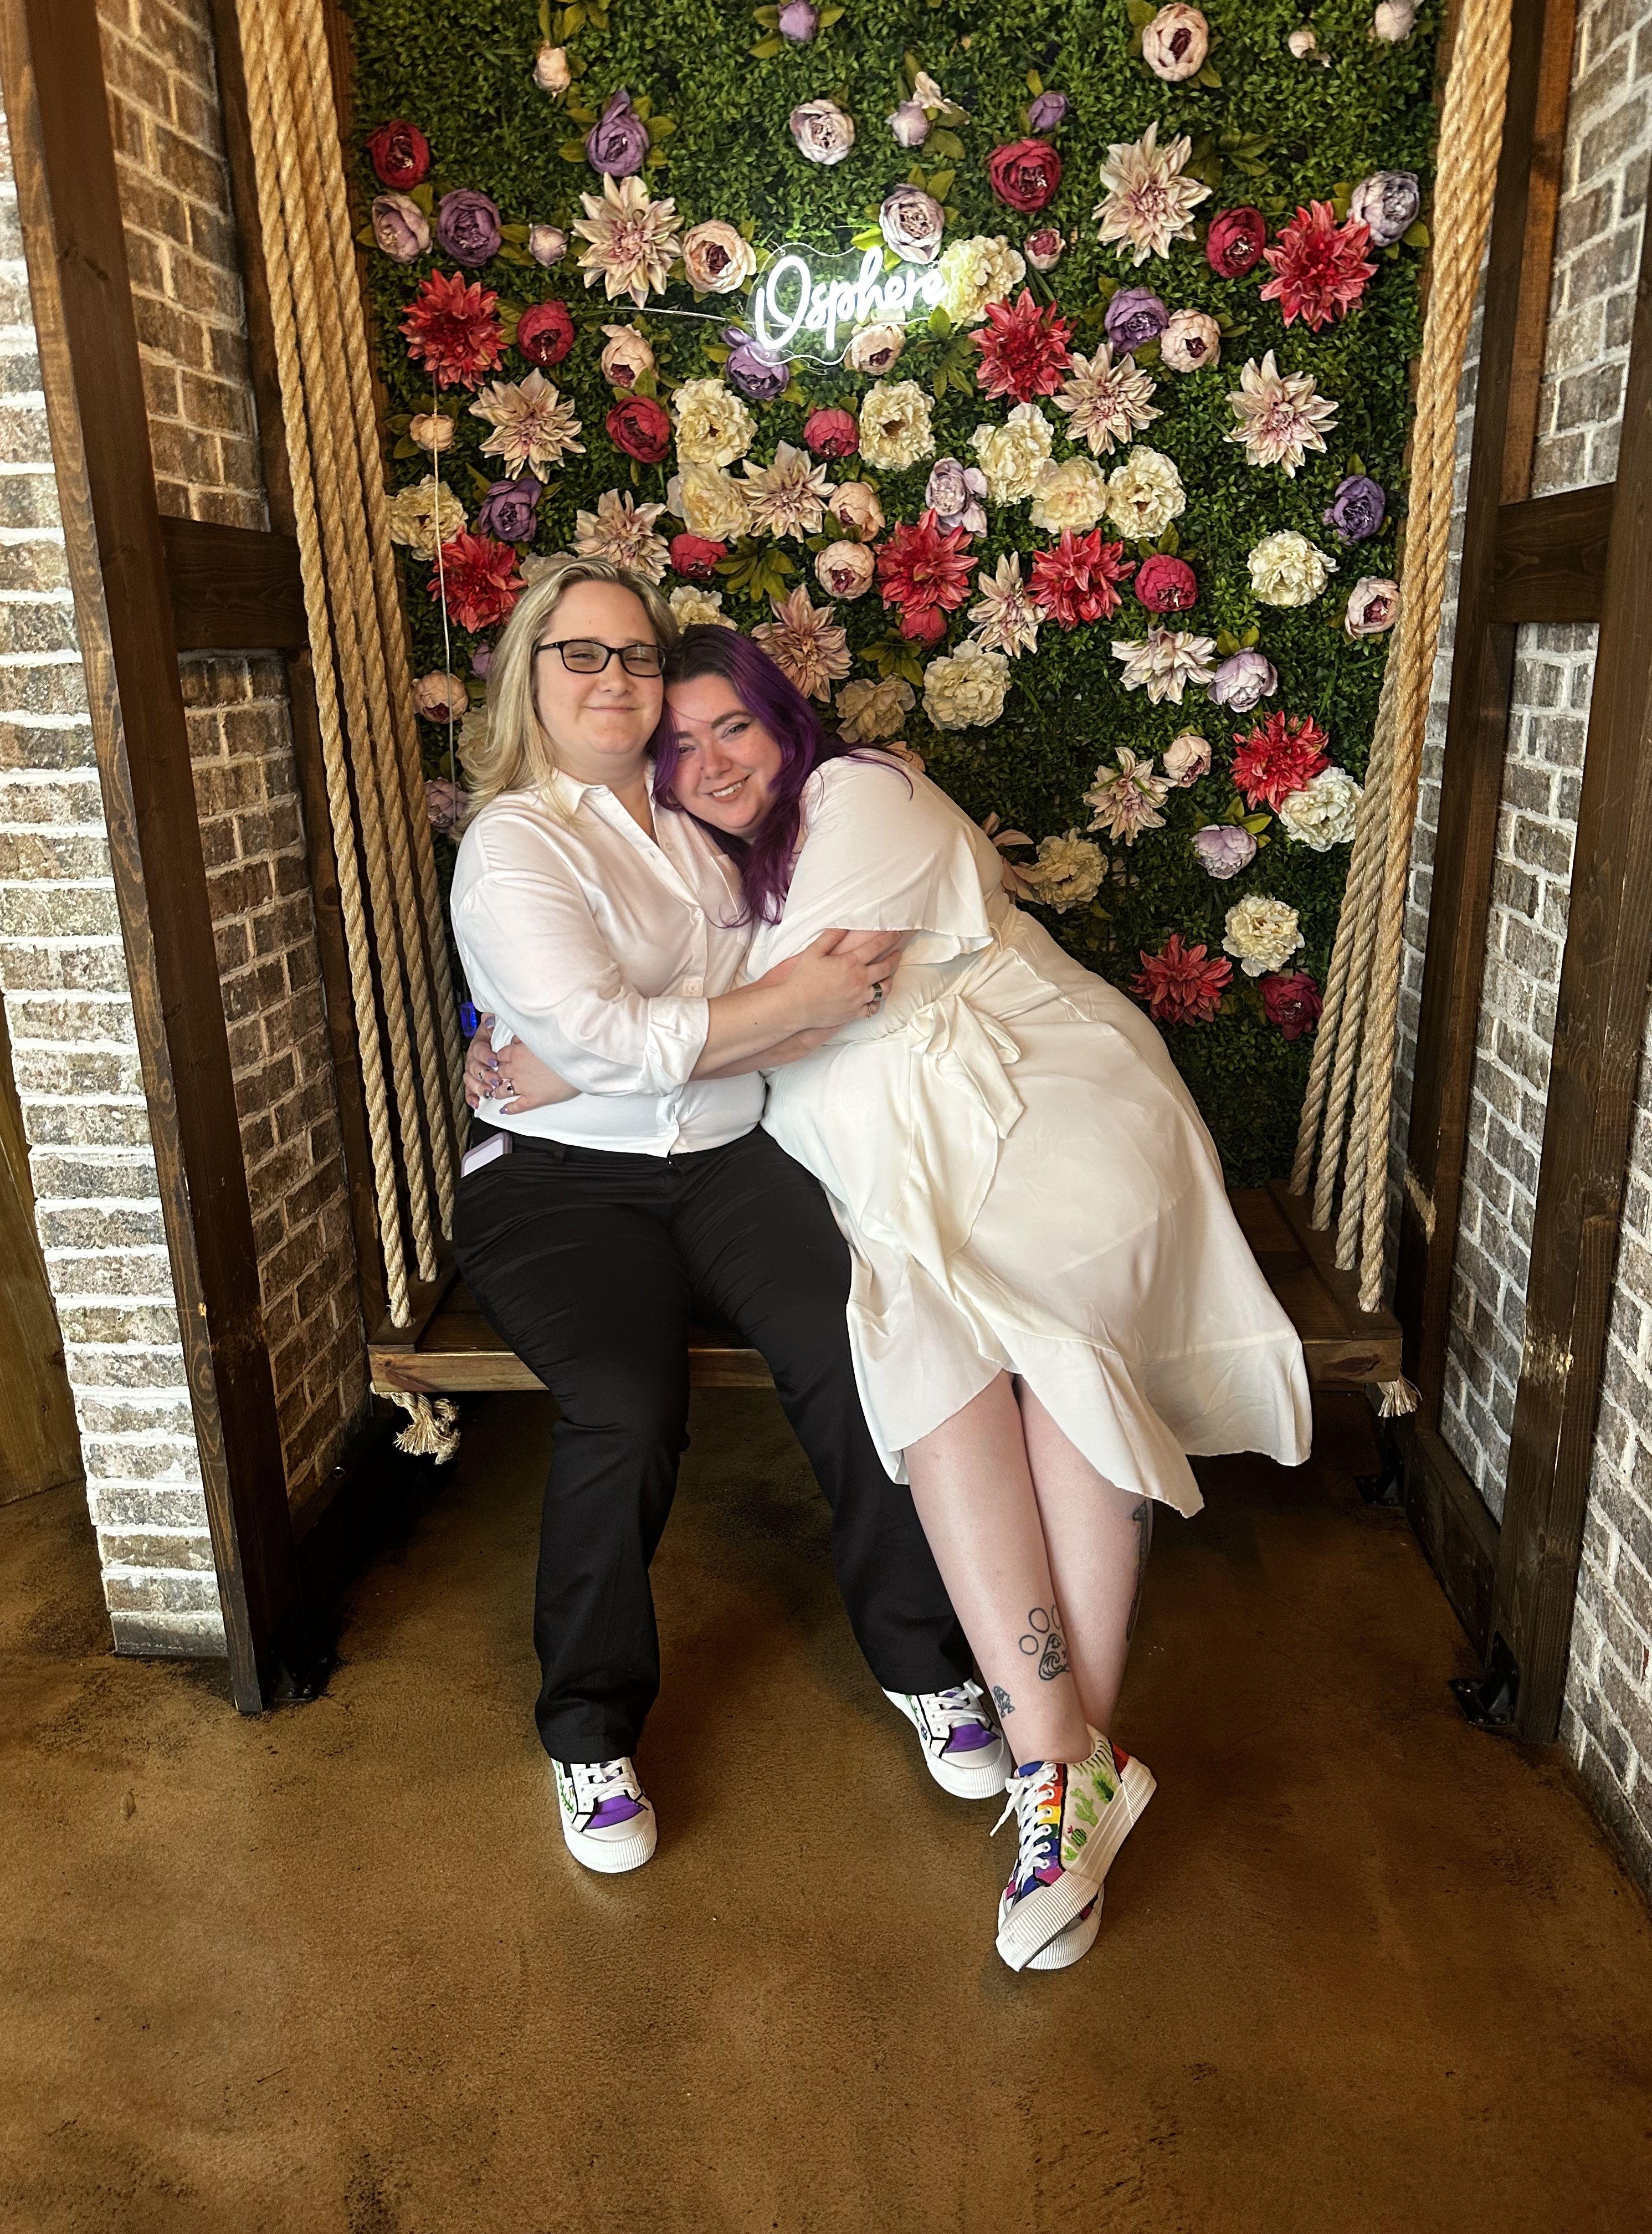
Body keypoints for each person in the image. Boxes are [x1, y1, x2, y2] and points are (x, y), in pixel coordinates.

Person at [473, 623, 1312, 1970]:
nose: (709, 759)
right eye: (682, 745)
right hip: (885, 1157)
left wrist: (573, 1061)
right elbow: (755, 1006)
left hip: (1039, 1103)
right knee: (916, 1344)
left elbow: (810, 1005)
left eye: (732, 726)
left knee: (1044, 1336)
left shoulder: (862, 794)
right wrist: (626, 1041)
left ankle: (1052, 1765)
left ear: (784, 718)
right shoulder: (674, 856)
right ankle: (1065, 1771)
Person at [445, 555, 1008, 1881]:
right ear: (529, 677)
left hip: (726, 1160)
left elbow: (767, 1005)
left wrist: (660, 1041)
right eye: (582, 654)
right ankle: (588, 1730)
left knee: (851, 1341)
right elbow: (626, 1030)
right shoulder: (514, 845)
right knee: (625, 1405)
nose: (617, 679)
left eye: (637, 655)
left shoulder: (698, 819)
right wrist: (754, 1017)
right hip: (558, 1182)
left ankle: (925, 1664)